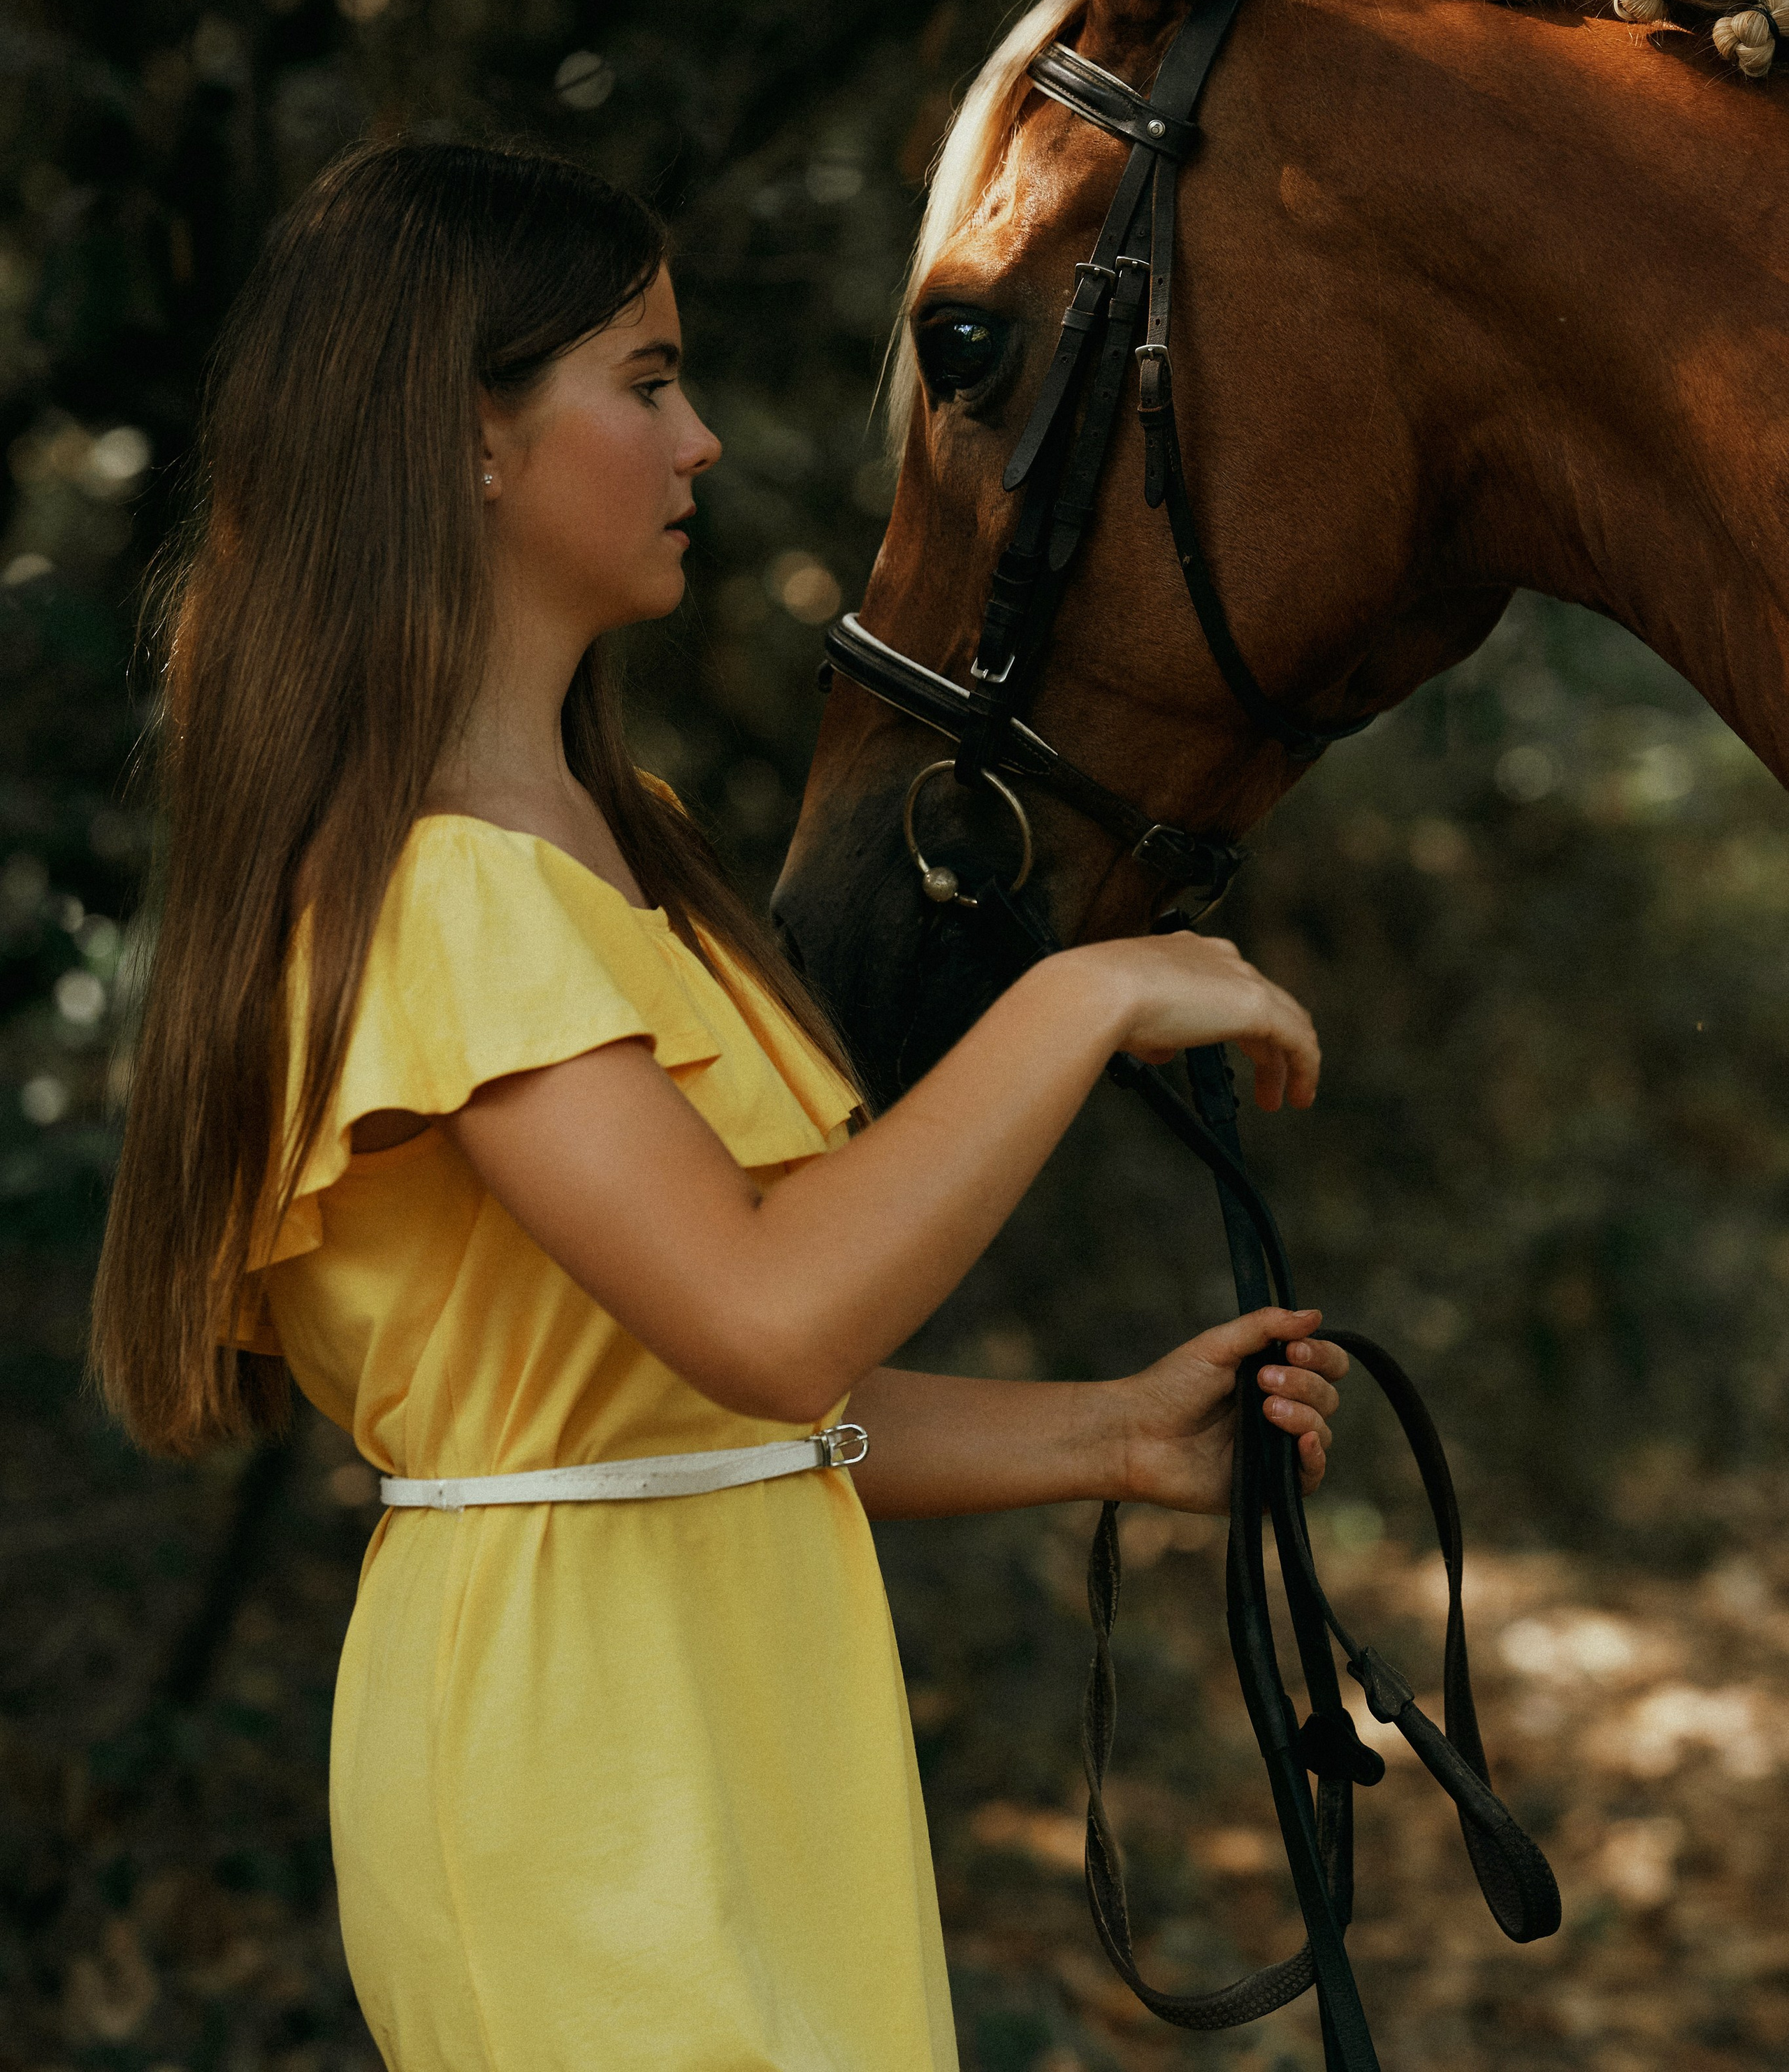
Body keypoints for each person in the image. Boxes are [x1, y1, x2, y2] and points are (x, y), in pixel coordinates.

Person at [91, 141, 1346, 2072]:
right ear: (469, 439)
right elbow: (769, 1322)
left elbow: (698, 1400)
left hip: (744, 1724)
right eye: (647, 379)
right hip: (579, 1766)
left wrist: (1112, 1436)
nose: (707, 447)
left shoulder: (624, 855)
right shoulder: (437, 894)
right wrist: (1086, 993)